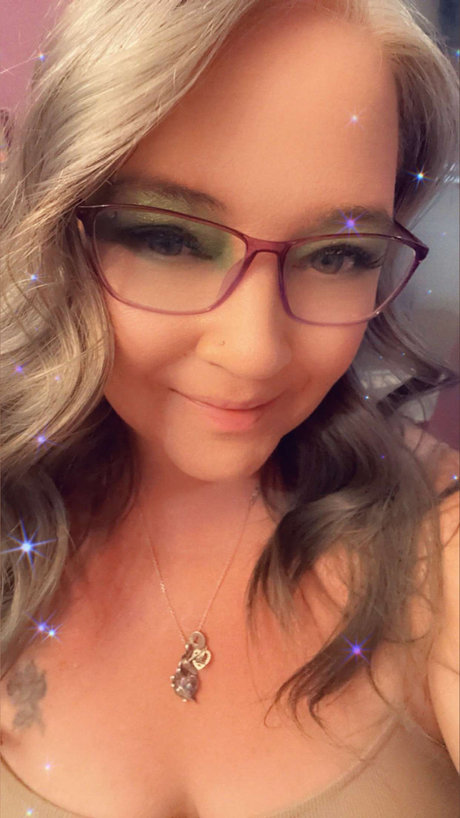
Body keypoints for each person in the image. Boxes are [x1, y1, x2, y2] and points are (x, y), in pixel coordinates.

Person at [1, 0, 459, 815]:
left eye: (338, 254)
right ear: (61, 231)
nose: (255, 352)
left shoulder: (440, 543)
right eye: (170, 239)